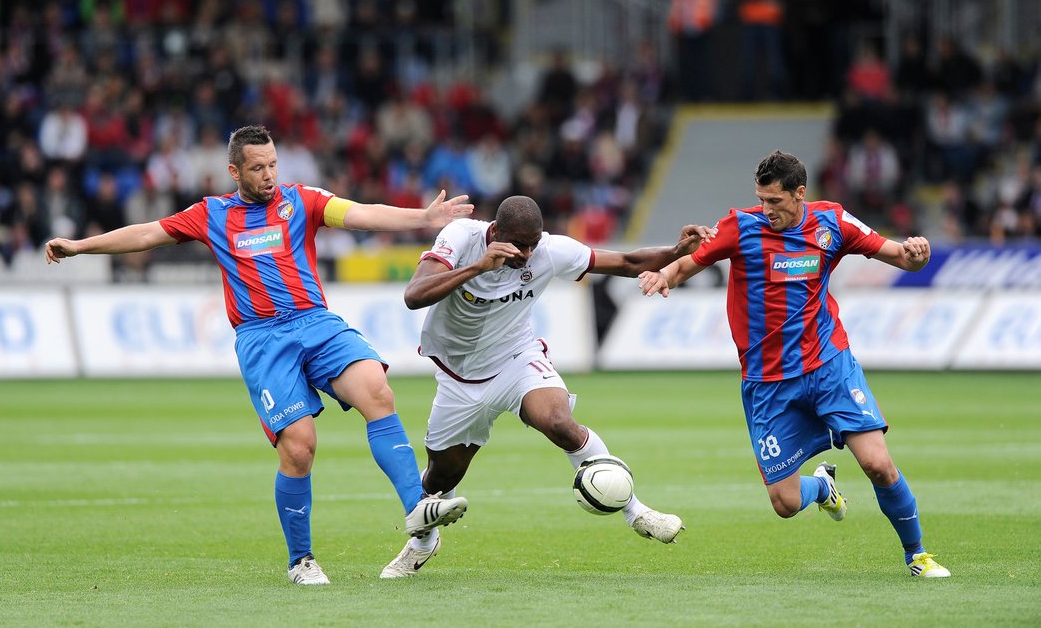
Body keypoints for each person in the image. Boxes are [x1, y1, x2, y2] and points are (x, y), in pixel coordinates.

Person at [45, 124, 472, 585]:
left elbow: (361, 214)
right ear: (234, 171)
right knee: (299, 448)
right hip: (262, 339)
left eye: (272, 165)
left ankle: (417, 512)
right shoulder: (212, 214)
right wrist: (81, 246)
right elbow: (148, 234)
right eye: (257, 168)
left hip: (316, 321)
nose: (268, 175)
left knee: (377, 391)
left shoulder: (301, 199)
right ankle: (301, 560)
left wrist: (422, 218)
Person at [638, 151, 951, 578]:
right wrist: (664, 277)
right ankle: (823, 487)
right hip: (767, 382)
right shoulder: (740, 226)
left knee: (878, 463)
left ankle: (917, 555)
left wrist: (918, 251)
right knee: (785, 504)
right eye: (761, 200)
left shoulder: (833, 223)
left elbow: (901, 256)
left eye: (775, 202)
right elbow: (688, 263)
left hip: (828, 365)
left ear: (799, 193)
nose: (766, 211)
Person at [378, 195, 716, 578]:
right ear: (496, 232)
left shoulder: (549, 251)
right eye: (518, 244)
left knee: (558, 421)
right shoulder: (462, 236)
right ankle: (424, 541)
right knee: (441, 477)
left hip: (516, 361)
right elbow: (413, 295)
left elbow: (626, 262)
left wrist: (677, 251)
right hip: (458, 379)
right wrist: (478, 267)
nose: (527, 253)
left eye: (533, 243)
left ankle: (637, 511)